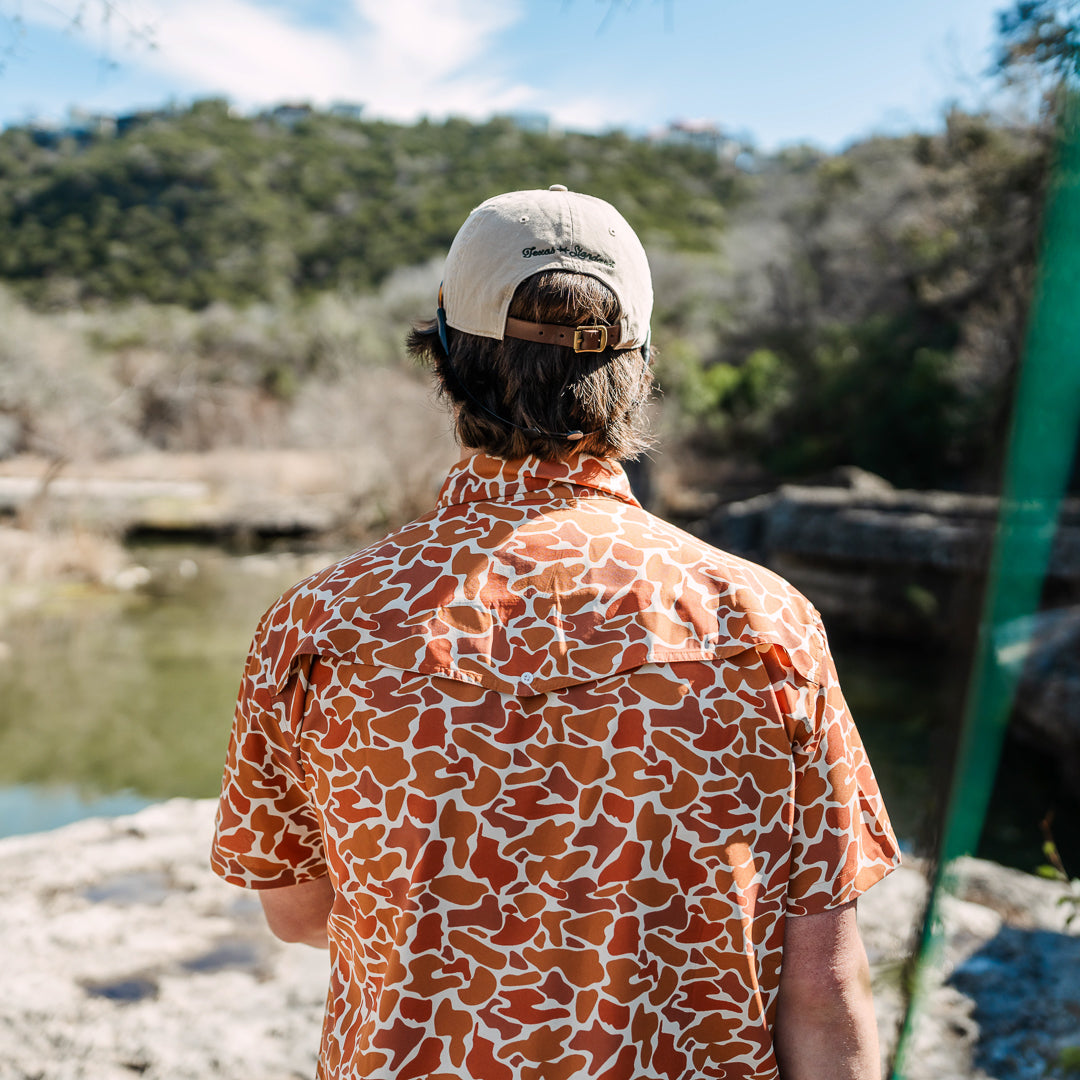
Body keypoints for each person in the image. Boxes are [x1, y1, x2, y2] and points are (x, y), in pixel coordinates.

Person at [211, 185, 900, 1080]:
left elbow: (298, 912)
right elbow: (824, 985)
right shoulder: (765, 625)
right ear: (637, 370)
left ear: (448, 358)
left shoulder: (318, 626)